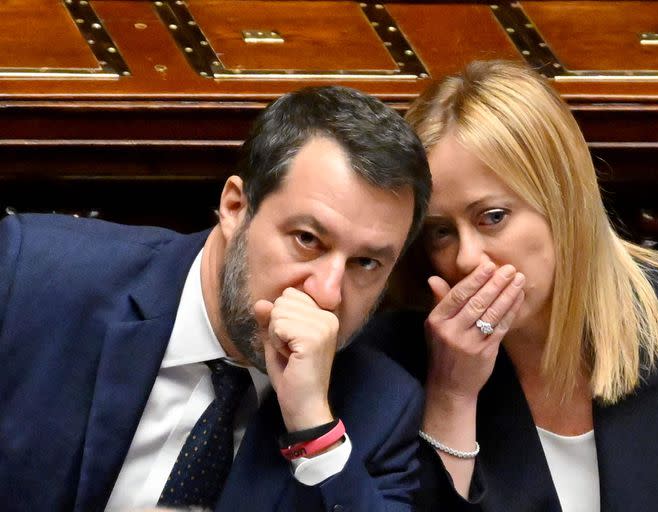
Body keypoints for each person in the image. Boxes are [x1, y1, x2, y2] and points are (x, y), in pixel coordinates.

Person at [0, 85, 431, 511]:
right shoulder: (32, 276)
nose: (327, 292)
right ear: (235, 207)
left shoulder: (379, 407)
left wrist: (312, 427)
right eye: (307, 239)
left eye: (366, 264)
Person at [361, 60, 658, 511]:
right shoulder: (395, 358)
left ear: (562, 201)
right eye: (441, 231)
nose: (466, 258)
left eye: (492, 217)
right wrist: (453, 396)